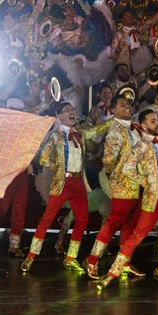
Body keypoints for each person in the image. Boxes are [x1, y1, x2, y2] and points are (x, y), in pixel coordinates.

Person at [98, 107, 158, 290]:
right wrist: (146, 182)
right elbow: (127, 169)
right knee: (137, 235)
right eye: (153, 121)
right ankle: (112, 272)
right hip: (154, 197)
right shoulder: (142, 145)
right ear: (143, 125)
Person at [21, 103, 110, 272]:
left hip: (78, 184)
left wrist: (113, 121)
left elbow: (95, 131)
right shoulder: (55, 136)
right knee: (47, 218)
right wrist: (59, 167)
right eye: (67, 110)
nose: (72, 112)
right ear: (59, 117)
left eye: (72, 109)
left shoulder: (80, 134)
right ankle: (31, 256)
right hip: (62, 183)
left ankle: (71, 257)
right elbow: (44, 158)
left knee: (82, 219)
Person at [83, 94, 144, 279]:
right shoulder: (116, 129)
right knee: (114, 221)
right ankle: (92, 259)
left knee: (130, 224)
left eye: (129, 104)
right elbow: (109, 160)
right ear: (114, 109)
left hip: (139, 183)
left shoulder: (135, 127)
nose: (127, 107)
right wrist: (116, 176)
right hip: (123, 183)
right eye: (122, 104)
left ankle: (124, 262)